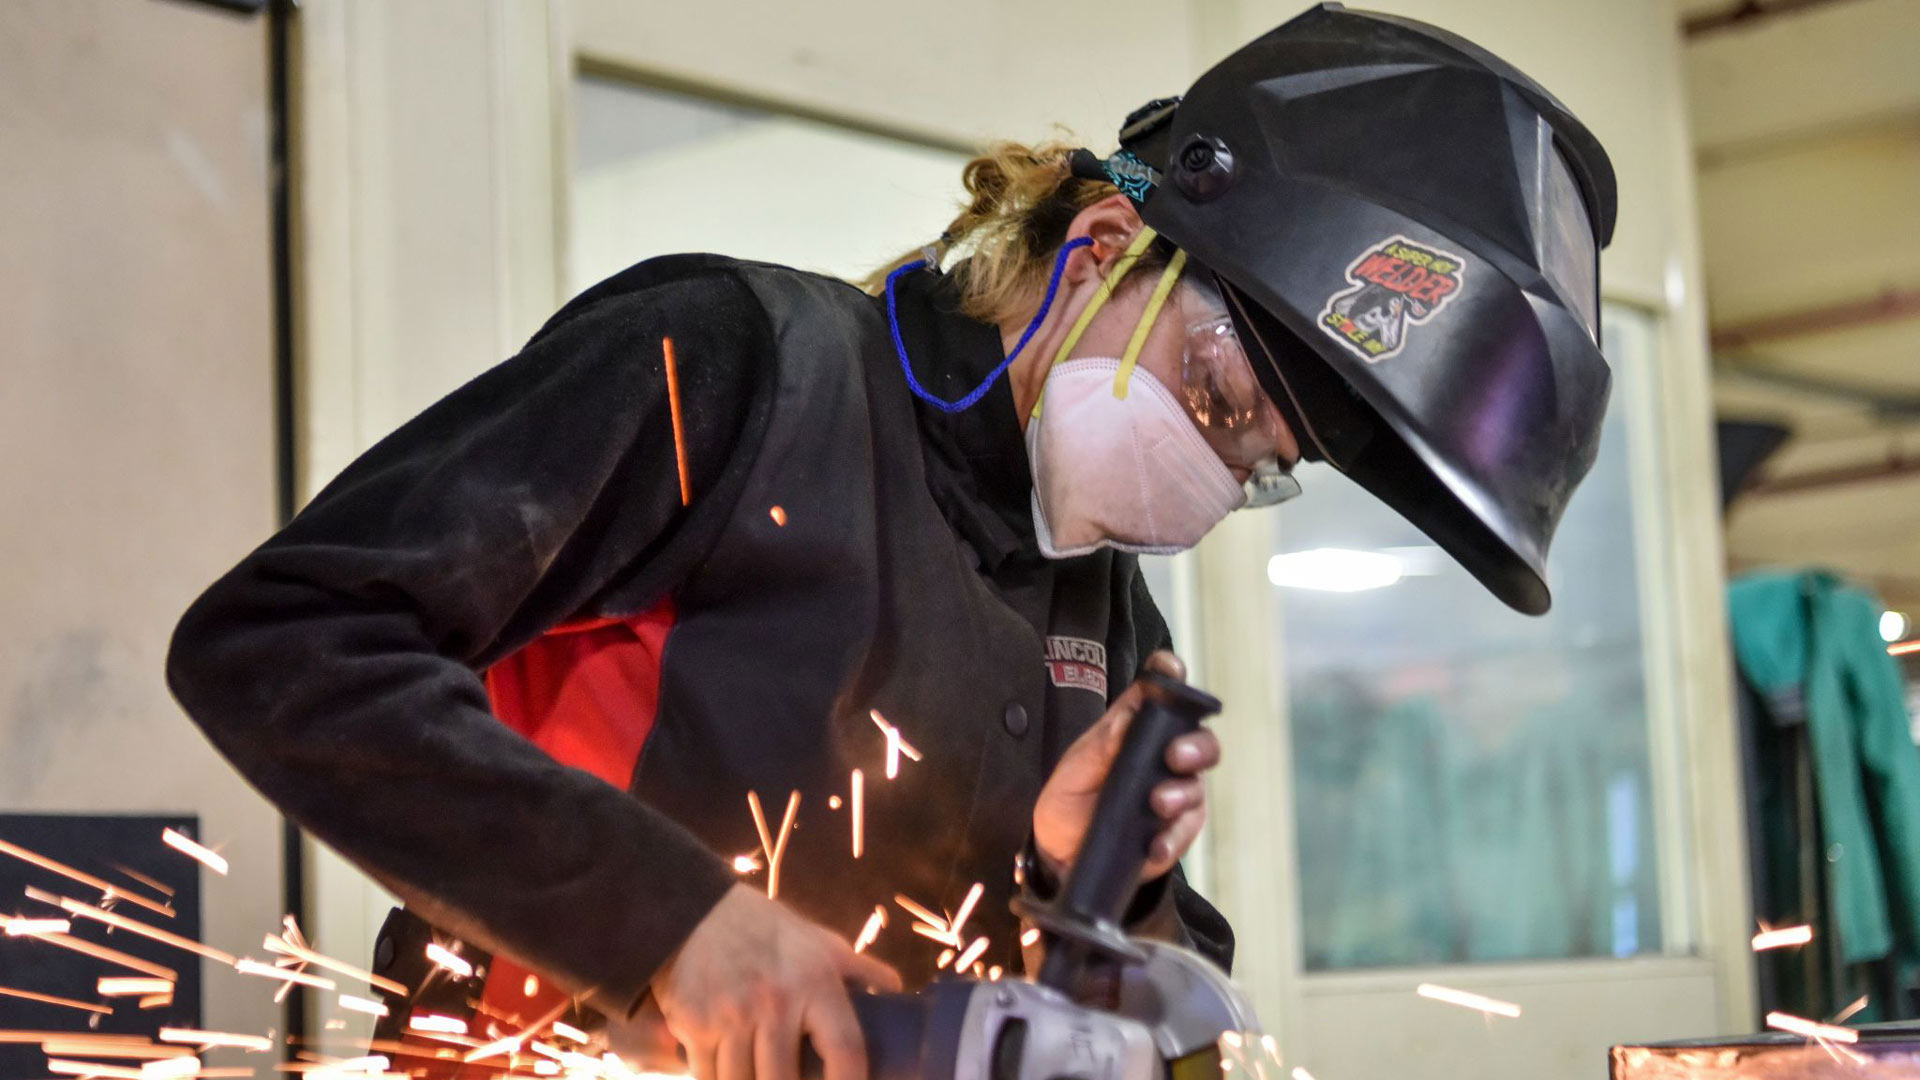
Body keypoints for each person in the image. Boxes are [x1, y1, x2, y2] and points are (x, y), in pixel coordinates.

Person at [165, 6, 1617, 1080]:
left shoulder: (1108, 613)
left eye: (1261, 465)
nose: (1218, 472)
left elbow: (1125, 1020)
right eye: (1222, 400)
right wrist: (678, 926)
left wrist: (1089, 883)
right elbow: (287, 641)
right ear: (1106, 249)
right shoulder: (728, 368)